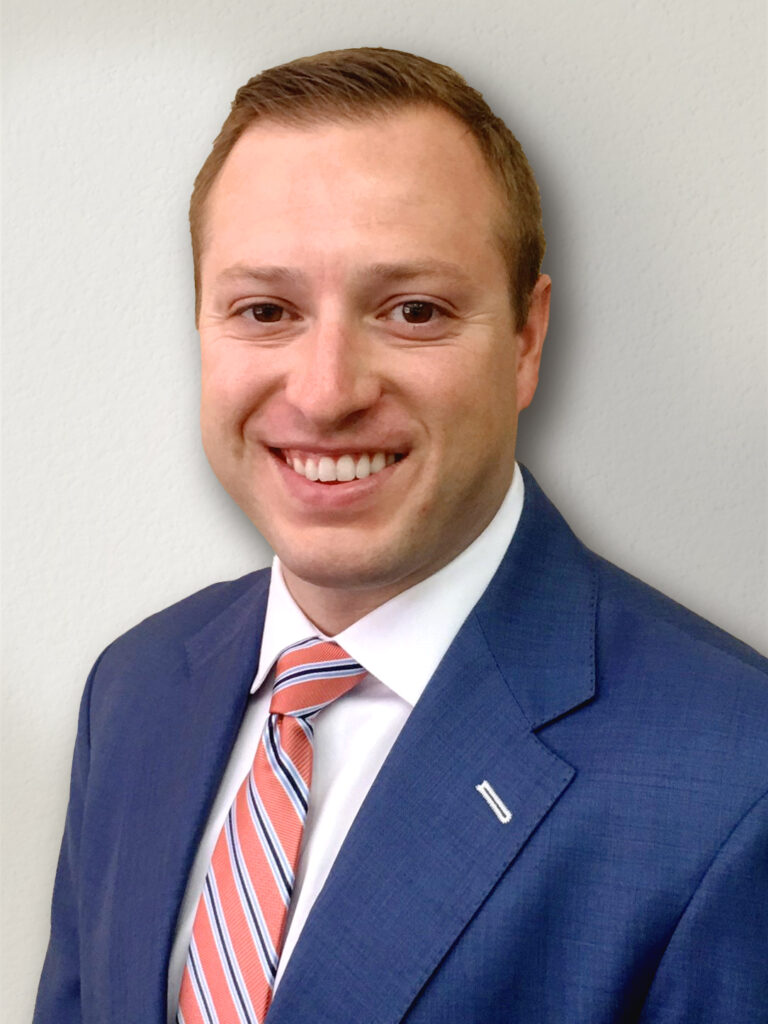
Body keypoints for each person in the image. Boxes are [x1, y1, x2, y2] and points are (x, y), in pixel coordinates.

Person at [34, 47, 768, 1024]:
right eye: (266, 310)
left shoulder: (735, 779)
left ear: (526, 341)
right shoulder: (133, 691)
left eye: (412, 310)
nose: (327, 391)